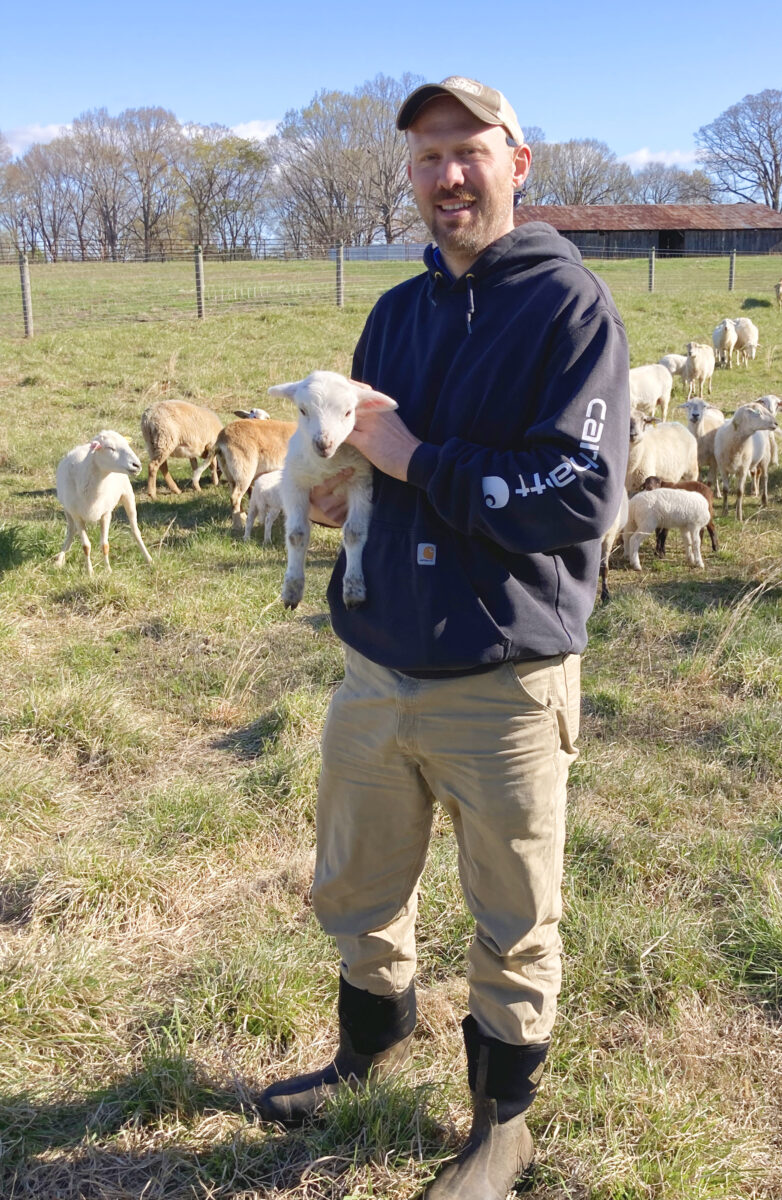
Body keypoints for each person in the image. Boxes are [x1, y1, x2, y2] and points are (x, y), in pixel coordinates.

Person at [257, 75, 630, 1198]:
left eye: (470, 151)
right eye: (426, 156)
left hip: (504, 675)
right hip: (380, 661)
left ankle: (500, 1128)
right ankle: (367, 1054)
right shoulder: (397, 312)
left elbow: (580, 494)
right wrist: (340, 494)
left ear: (522, 163)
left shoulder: (572, 311)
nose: (448, 176)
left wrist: (413, 457)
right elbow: (364, 451)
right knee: (361, 886)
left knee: (512, 916)